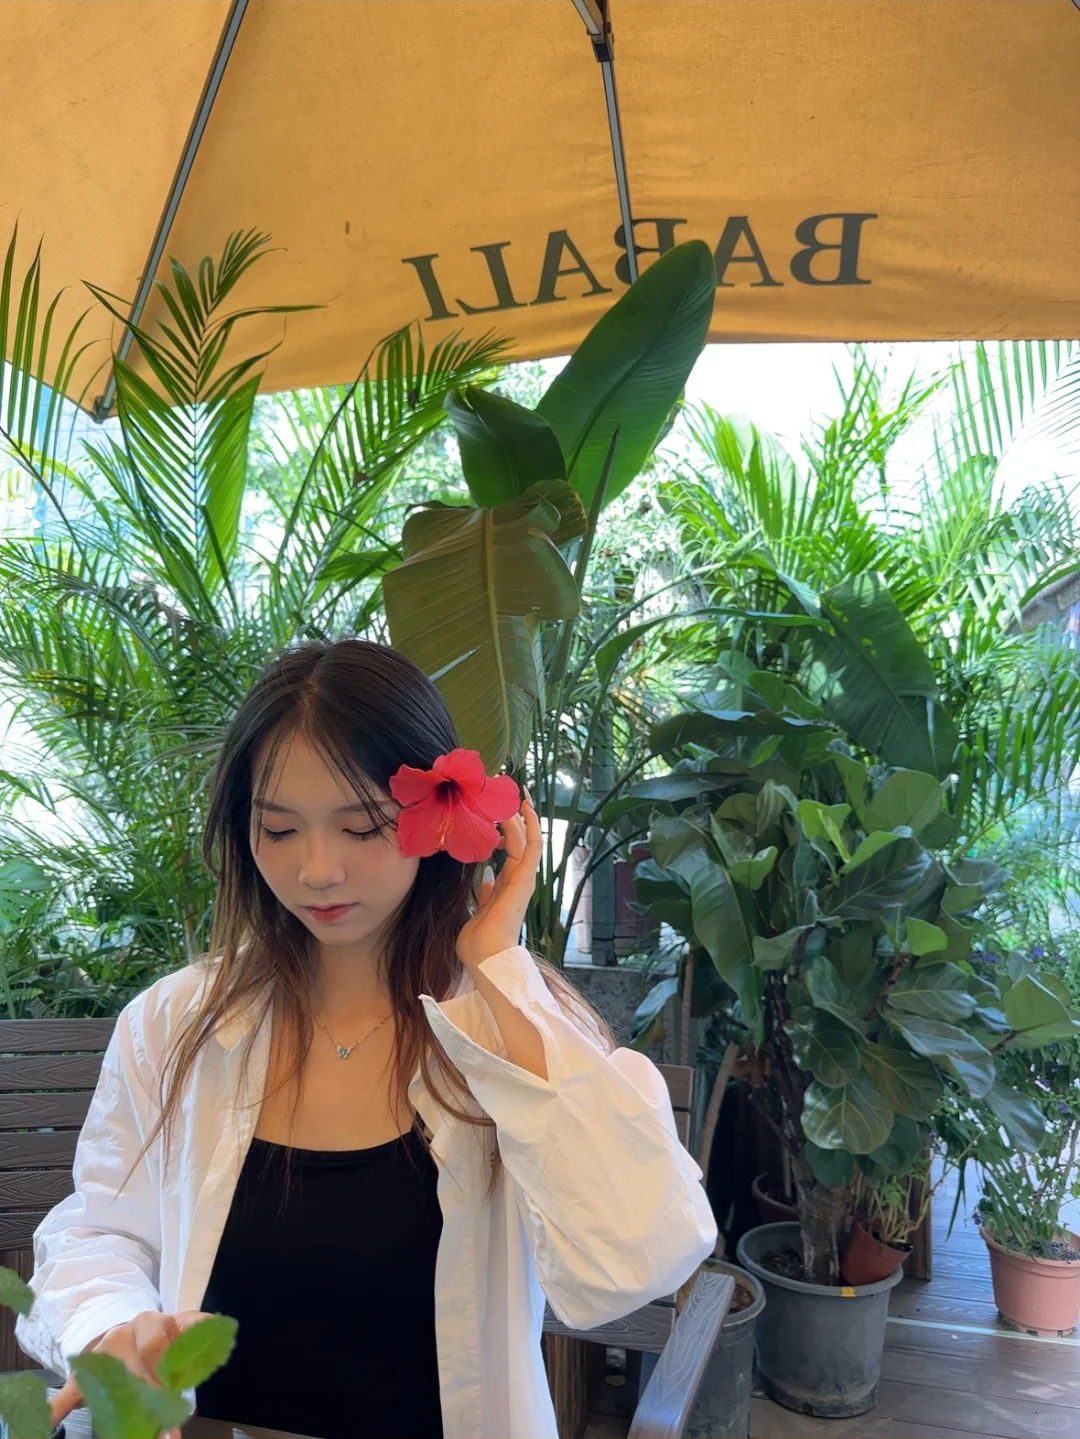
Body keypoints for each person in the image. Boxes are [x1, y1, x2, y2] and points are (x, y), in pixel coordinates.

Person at [16, 638, 718, 1439]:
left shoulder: (509, 1021)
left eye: (361, 827)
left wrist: (496, 967)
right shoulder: (175, 1021)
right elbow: (99, 1227)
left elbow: (639, 1253)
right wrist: (111, 1324)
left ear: (439, 820)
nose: (318, 869)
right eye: (279, 828)